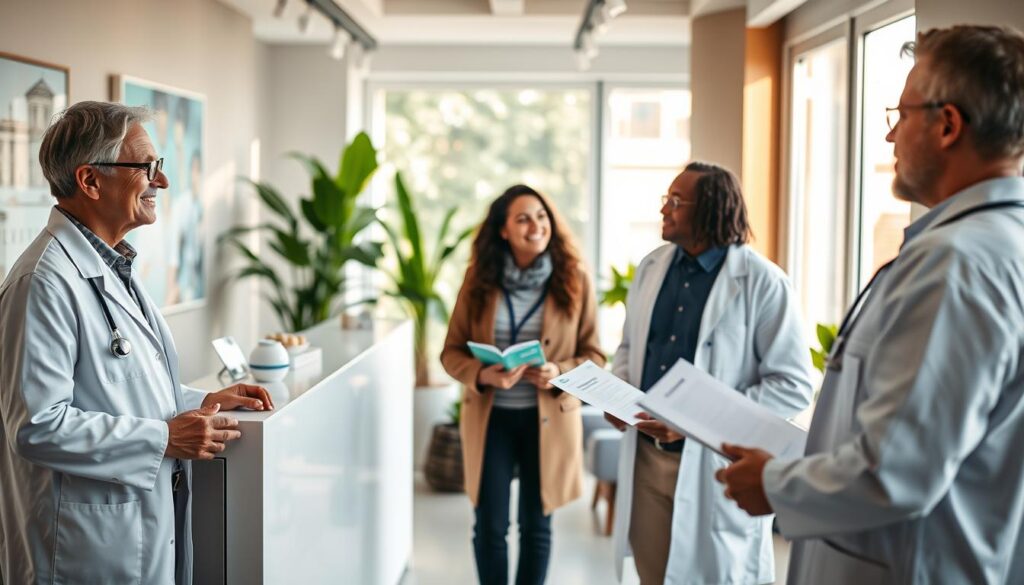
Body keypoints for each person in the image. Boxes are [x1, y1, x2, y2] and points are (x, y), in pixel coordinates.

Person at [716, 25, 1024, 585]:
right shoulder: (987, 246)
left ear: (947, 125)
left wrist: (775, 483)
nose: (890, 138)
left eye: (900, 114)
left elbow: (897, 471)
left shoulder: (957, 264)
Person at [0, 101, 273, 585]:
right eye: (147, 168)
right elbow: (36, 426)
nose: (161, 182)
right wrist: (164, 438)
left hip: (130, 534)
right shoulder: (42, 281)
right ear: (90, 181)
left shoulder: (114, 266)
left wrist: (201, 401)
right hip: (81, 552)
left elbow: (119, 389)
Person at [606, 162, 812, 584]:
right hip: (646, 462)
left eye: (676, 201)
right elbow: (629, 348)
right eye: (666, 199)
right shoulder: (651, 268)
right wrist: (619, 394)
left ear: (712, 210)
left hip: (713, 469)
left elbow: (792, 385)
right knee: (653, 575)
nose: (665, 209)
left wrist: (694, 421)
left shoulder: (763, 283)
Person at [441, 184, 604, 585]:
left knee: (537, 526)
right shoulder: (478, 280)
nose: (536, 225)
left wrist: (558, 371)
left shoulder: (575, 280)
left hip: (546, 420)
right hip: (492, 419)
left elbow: (596, 356)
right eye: (523, 218)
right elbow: (451, 352)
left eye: (542, 216)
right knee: (491, 526)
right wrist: (482, 374)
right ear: (503, 230)